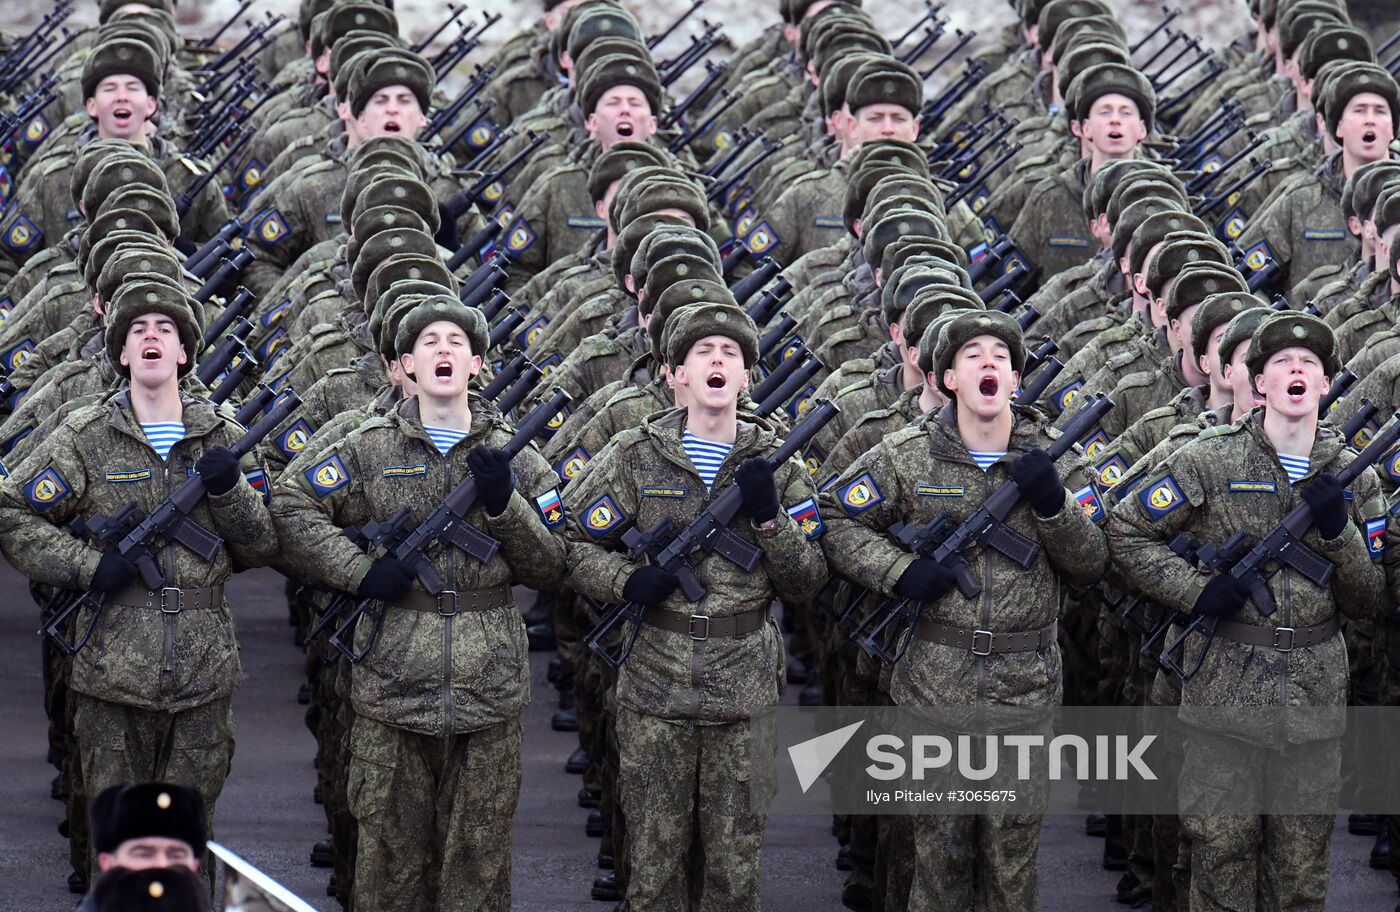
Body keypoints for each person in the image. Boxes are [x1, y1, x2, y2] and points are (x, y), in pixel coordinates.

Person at [271, 294, 566, 912]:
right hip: (392, 680)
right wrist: (358, 570)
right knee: (388, 866)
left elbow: (551, 566)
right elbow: (291, 506)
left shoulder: (516, 457)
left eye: (456, 343)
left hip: (488, 686)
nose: (443, 352)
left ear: (479, 364)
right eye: (428, 343)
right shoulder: (367, 445)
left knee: (479, 866)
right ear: (402, 365)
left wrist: (504, 504)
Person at [820, 309, 1109, 911]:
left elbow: (1094, 561)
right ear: (947, 378)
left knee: (1010, 870)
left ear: (1016, 381)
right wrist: (899, 571)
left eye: (1000, 358)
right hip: (935, 689)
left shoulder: (1053, 458)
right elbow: (838, 518)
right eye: (972, 356)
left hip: (1023, 695)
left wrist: (1055, 504)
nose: (988, 365)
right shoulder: (909, 453)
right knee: (940, 862)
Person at [0, 279, 277, 888]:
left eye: (166, 330)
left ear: (184, 353)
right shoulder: (85, 433)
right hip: (113, 668)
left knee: (188, 845)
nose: (151, 337)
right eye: (137, 331)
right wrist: (86, 565)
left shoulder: (223, 435)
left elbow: (263, 544)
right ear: (121, 353)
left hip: (203, 670)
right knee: (117, 846)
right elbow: (13, 511)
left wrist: (230, 491)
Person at [1108, 311, 1387, 911]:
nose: (1296, 370)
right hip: (1223, 701)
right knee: (1220, 869)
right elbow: (1127, 528)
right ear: (1257, 384)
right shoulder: (1213, 458)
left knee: (1299, 881)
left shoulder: (1352, 477)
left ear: (1324, 385)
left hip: (1311, 706)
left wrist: (1340, 533)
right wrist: (1194, 590)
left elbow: (1368, 601)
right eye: (1281, 364)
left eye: (1309, 364)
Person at [561, 298, 827, 910]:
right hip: (656, 681)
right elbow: (571, 544)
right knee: (654, 869)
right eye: (701, 353)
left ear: (746, 377)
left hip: (743, 686)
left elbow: (808, 579)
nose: (716, 361)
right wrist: (625, 580)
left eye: (729, 354)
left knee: (734, 873)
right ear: (673, 374)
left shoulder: (777, 463)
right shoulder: (635, 454)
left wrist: (770, 520)